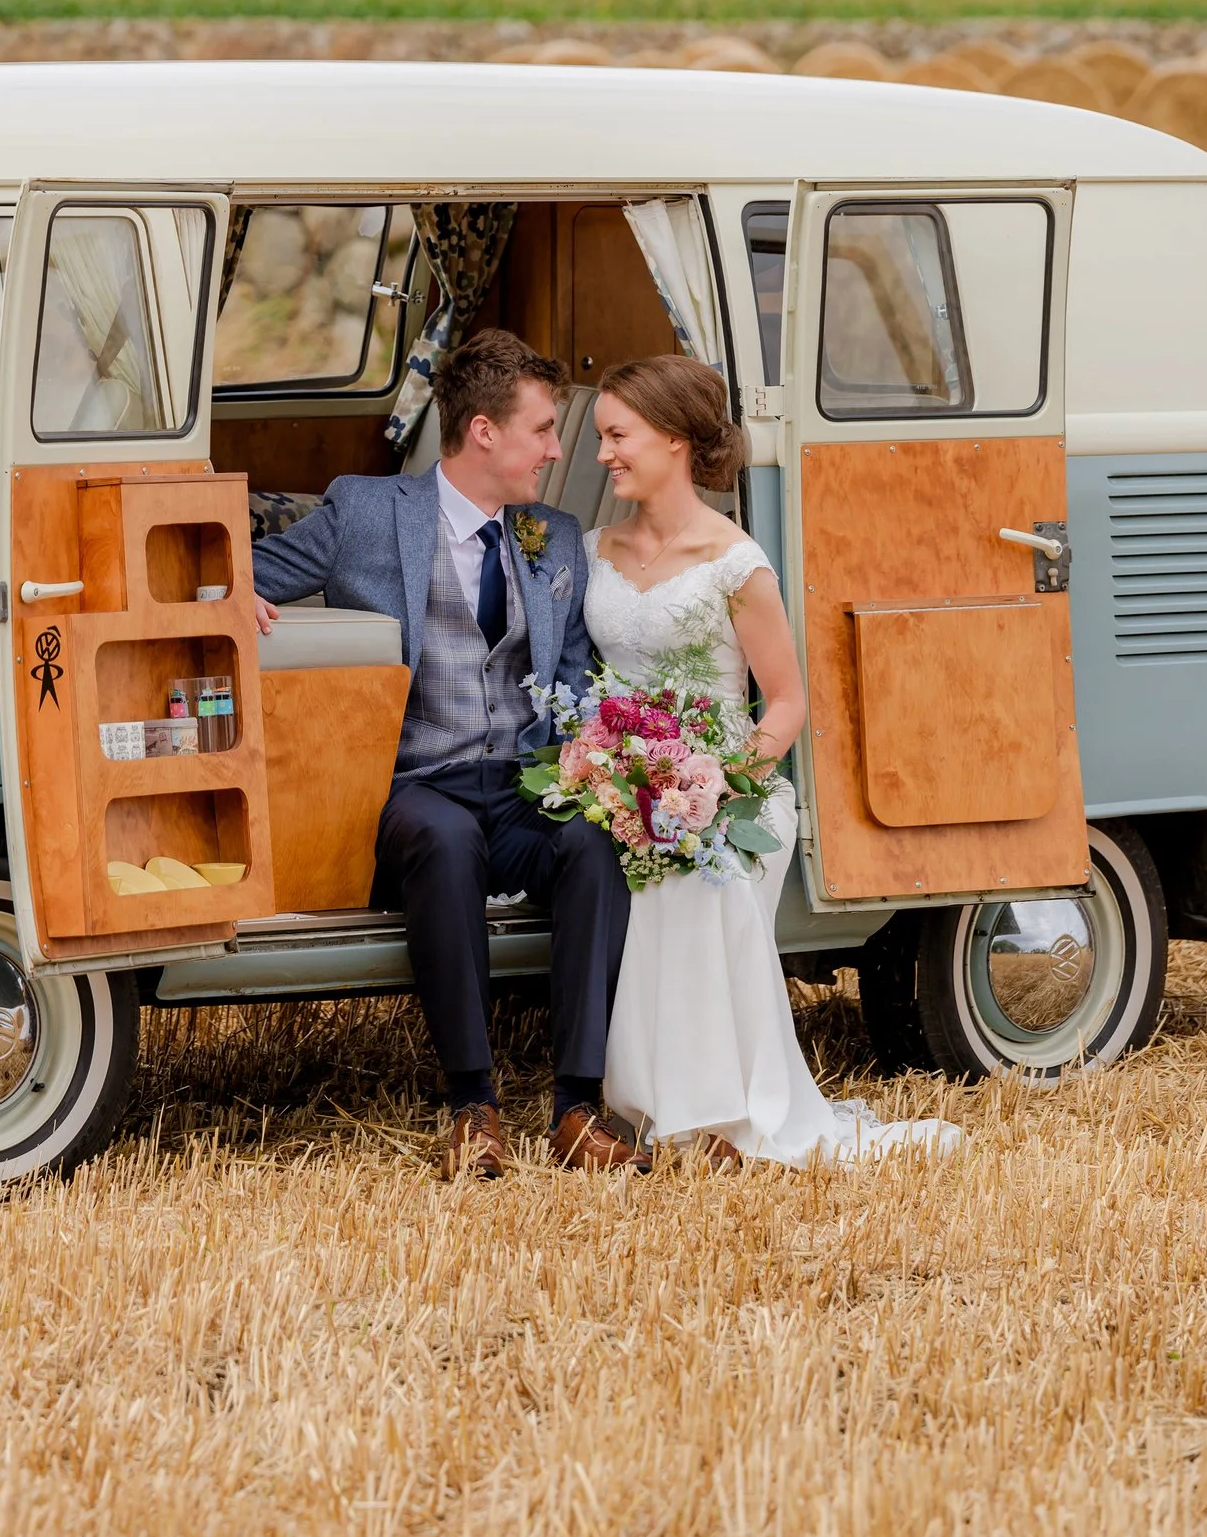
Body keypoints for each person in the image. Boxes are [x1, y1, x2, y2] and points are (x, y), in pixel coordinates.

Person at [250, 329, 641, 1180]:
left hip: (523, 783)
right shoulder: (366, 512)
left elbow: (570, 679)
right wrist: (235, 594)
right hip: (417, 783)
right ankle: (474, 1103)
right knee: (443, 838)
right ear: (483, 432)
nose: (555, 448)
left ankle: (576, 1104)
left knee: (594, 839)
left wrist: (593, 771)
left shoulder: (552, 536)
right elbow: (235, 571)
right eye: (542, 428)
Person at [585, 354, 963, 1168]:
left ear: (677, 439)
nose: (604, 454)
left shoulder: (736, 562)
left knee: (695, 875)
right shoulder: (595, 547)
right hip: (624, 784)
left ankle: (719, 1117)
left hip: (733, 788)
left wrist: (714, 787)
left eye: (618, 435)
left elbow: (786, 702)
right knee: (628, 863)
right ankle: (654, 1109)